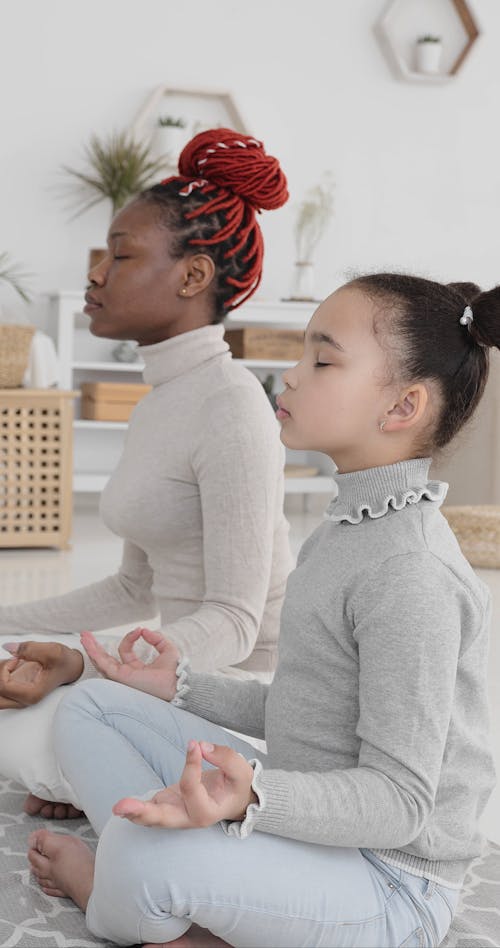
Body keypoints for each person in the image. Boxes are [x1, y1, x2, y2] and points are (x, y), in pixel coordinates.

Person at [27, 273, 497, 948]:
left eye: (322, 360)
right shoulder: (347, 528)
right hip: (307, 821)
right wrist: (181, 686)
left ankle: (126, 892)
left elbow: (399, 805)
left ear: (402, 407)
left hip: (386, 881)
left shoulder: (409, 574)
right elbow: (308, 707)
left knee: (144, 863)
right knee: (90, 706)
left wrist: (254, 798)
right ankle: (190, 890)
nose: (290, 376)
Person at [0, 128, 294, 817]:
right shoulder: (163, 401)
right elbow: (135, 586)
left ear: (192, 276)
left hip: (239, 706)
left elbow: (235, 626)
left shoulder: (233, 408)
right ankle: (94, 762)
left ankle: (103, 759)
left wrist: (97, 672)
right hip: (168, 678)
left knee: (30, 719)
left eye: (121, 255)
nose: (96, 273)